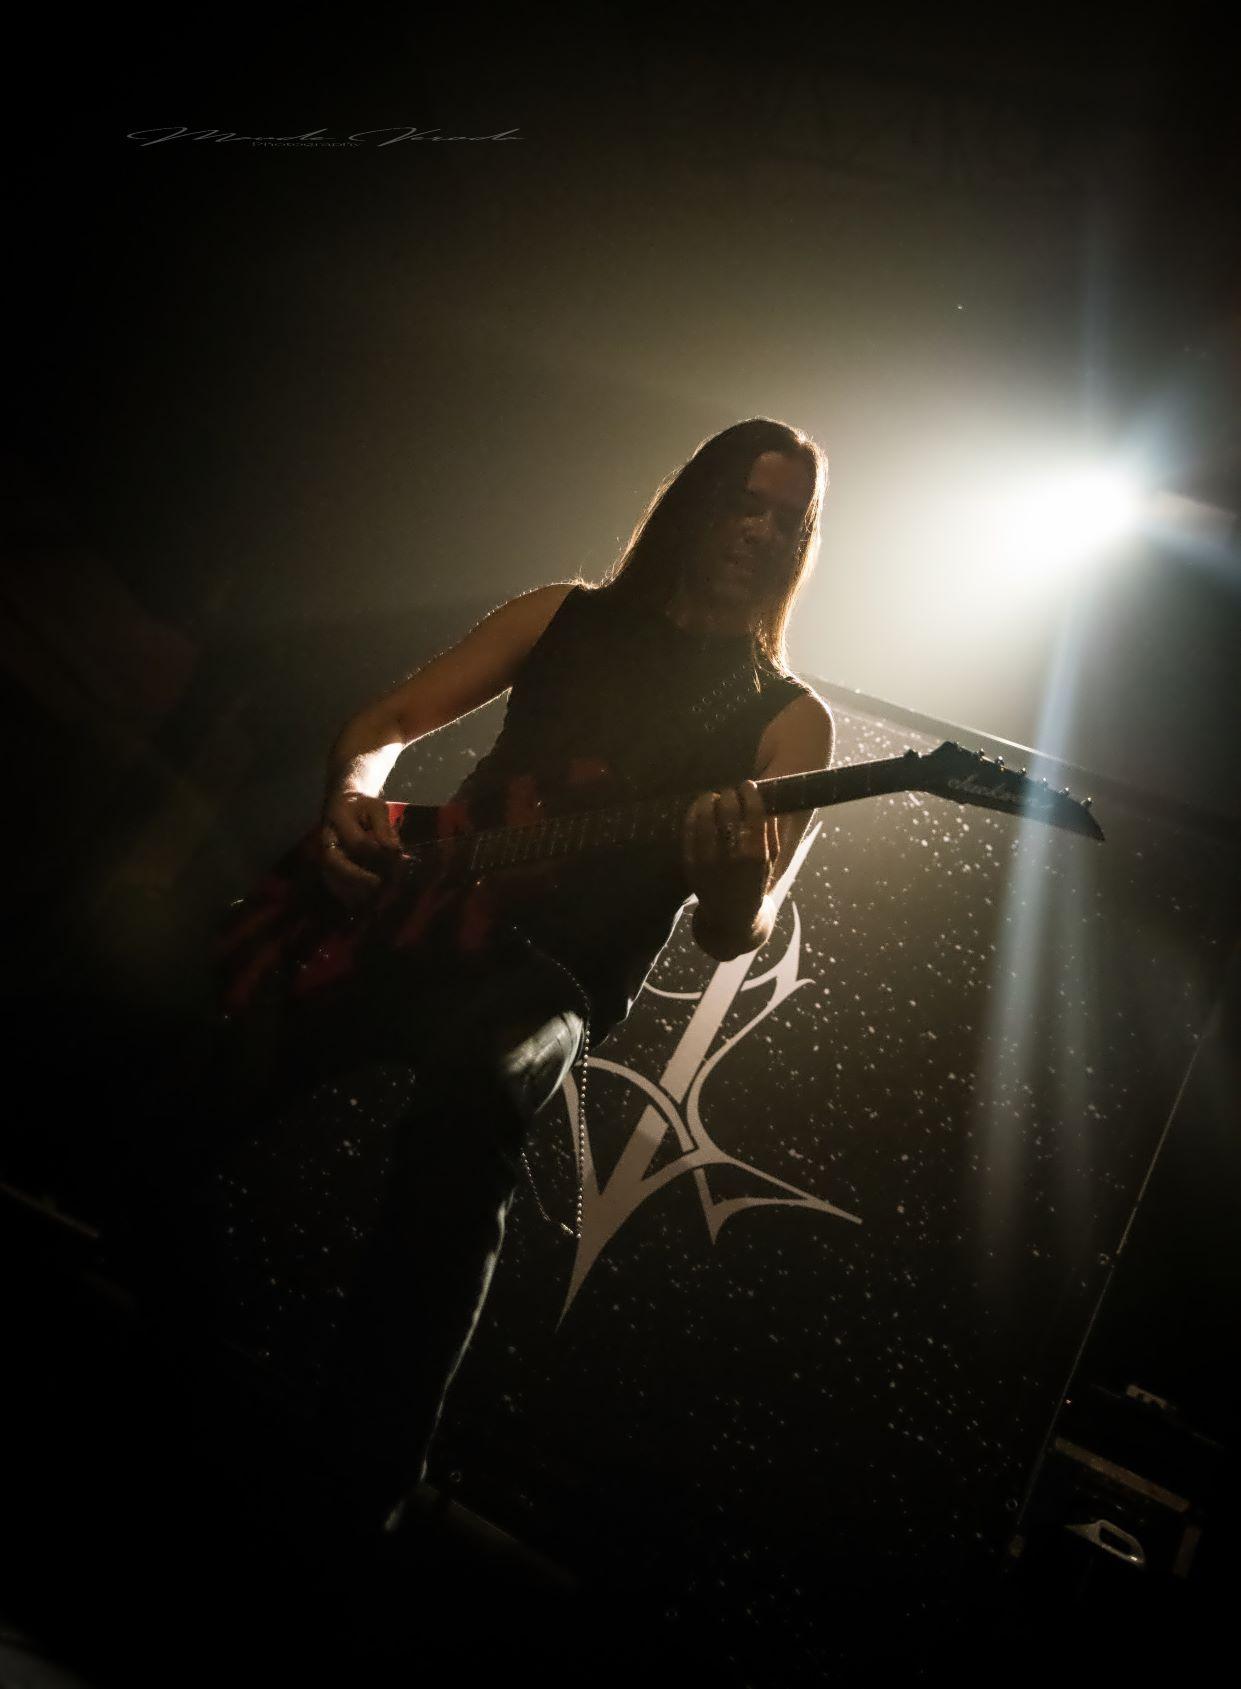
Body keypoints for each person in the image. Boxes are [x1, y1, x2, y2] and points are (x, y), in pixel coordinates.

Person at [210, 416, 835, 1541]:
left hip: (552, 981)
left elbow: (736, 932)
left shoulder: (788, 723)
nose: (759, 530)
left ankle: (356, 1490)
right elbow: (384, 723)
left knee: (477, 1099)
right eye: (742, 502)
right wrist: (351, 800)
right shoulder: (562, 615)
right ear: (692, 502)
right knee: (223, 1054)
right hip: (420, 913)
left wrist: (734, 883)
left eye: (785, 519)